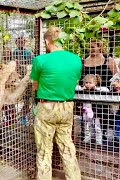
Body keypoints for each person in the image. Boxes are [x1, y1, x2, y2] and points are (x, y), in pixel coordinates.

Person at [30, 26, 82, 180]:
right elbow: (75, 81)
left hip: (46, 107)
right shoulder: (76, 59)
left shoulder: (40, 60)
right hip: (67, 106)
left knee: (44, 150)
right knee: (67, 147)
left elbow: (35, 86)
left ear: (47, 41)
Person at [75, 74, 109, 145]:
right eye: (86, 83)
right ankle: (87, 140)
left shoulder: (99, 89)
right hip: (86, 112)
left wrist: (96, 89)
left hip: (95, 112)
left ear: (95, 83)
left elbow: (107, 90)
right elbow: (75, 88)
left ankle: (99, 142)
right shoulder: (83, 89)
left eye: (90, 83)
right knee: (87, 127)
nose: (88, 84)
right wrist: (81, 89)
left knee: (97, 127)